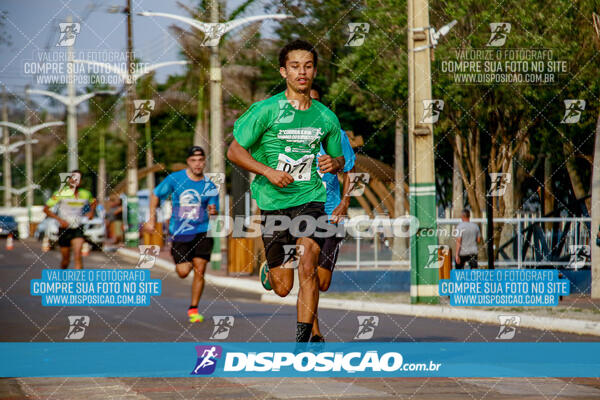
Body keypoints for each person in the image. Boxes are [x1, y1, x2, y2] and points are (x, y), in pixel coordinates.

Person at [227, 39, 345, 342]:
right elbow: (235, 152)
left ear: (314, 71)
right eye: (295, 66)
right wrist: (268, 172)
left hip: (311, 197)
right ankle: (271, 267)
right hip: (273, 200)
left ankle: (303, 340)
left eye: (307, 66)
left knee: (308, 262)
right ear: (284, 72)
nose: (301, 72)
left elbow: (340, 160)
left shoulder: (326, 117)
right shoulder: (265, 111)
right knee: (282, 287)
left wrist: (335, 161)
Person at [144, 146, 218, 323]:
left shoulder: (210, 185)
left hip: (202, 230)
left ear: (204, 162)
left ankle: (194, 308)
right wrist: (152, 219)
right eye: (194, 160)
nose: (198, 164)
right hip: (180, 231)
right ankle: (187, 261)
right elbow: (156, 195)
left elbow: (214, 208)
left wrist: (213, 211)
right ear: (188, 162)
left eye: (201, 160)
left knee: (200, 270)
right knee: (184, 272)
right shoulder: (175, 179)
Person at [308, 85, 356, 342]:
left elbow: (349, 171)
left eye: (315, 102)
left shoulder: (337, 136)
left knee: (322, 282)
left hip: (331, 213)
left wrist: (345, 203)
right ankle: (313, 332)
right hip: (302, 213)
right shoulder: (290, 136)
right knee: (308, 272)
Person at [43, 170, 97, 269]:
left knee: (78, 255)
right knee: (65, 260)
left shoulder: (86, 194)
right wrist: (60, 220)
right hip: (64, 228)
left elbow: (93, 202)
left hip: (78, 228)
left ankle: (78, 283)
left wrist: (91, 212)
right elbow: (46, 209)